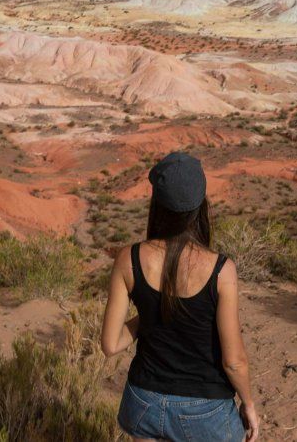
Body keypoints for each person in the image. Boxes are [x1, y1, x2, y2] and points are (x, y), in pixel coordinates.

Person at [100, 152, 259, 442]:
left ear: (157, 205)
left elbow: (111, 345)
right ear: (200, 206)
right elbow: (234, 361)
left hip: (143, 404)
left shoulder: (129, 259)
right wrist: (248, 404)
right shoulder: (222, 270)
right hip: (205, 412)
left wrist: (151, 315)